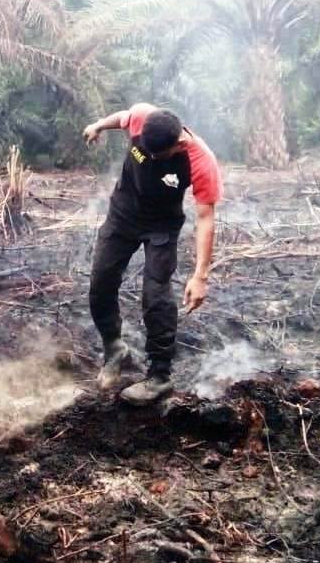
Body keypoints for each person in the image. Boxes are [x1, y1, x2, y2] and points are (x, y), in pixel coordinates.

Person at [82, 103, 222, 405]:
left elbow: (206, 218)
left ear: (179, 144)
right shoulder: (141, 117)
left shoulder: (201, 159)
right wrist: (97, 125)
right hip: (122, 216)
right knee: (100, 284)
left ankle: (159, 376)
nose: (150, 157)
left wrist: (200, 276)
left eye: (158, 155)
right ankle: (114, 348)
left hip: (161, 226)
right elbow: (120, 118)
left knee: (156, 295)